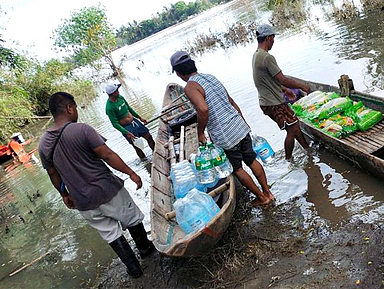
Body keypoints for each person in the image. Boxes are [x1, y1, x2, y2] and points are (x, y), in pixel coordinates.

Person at [38, 92, 155, 279]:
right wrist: (131, 173)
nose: (76, 112)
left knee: (110, 234)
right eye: (75, 108)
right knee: (131, 218)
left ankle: (134, 269)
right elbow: (107, 155)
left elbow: (53, 173)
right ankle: (146, 250)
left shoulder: (43, 143)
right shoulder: (82, 130)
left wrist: (64, 195)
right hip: (108, 190)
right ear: (69, 108)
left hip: (82, 201)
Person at [171, 51, 274, 207]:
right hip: (239, 126)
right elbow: (230, 101)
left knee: (237, 169)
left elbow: (203, 109)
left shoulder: (191, 87)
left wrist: (200, 133)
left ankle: (262, 197)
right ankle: (268, 192)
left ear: (178, 73)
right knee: (251, 159)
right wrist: (243, 123)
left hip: (225, 135)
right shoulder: (210, 77)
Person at [252, 24, 311, 160]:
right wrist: (302, 86)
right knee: (292, 129)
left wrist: (284, 90)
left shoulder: (256, 55)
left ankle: (308, 151)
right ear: (268, 38)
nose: (273, 42)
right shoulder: (267, 57)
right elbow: (282, 79)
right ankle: (289, 159)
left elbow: (266, 80)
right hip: (273, 102)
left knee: (294, 127)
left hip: (266, 101)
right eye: (273, 38)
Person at [105, 83, 155, 160]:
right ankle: (145, 161)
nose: (118, 92)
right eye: (117, 90)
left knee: (148, 136)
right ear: (113, 93)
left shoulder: (120, 98)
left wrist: (140, 118)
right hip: (126, 128)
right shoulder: (109, 107)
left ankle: (155, 153)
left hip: (134, 122)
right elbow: (115, 124)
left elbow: (129, 109)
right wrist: (126, 132)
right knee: (137, 146)